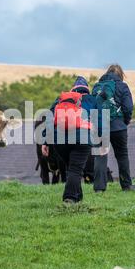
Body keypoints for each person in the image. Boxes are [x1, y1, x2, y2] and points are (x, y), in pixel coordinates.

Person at [41, 76, 101, 204]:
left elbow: (49, 119)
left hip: (59, 139)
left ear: (72, 89)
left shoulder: (60, 100)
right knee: (75, 169)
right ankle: (69, 198)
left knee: (71, 168)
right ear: (87, 89)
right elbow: (100, 121)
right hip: (82, 137)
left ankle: (78, 197)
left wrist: (45, 142)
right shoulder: (91, 99)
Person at [92, 64, 135, 192]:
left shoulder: (97, 87)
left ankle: (99, 188)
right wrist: (125, 122)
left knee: (100, 156)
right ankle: (127, 185)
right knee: (122, 155)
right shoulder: (122, 86)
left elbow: (93, 107)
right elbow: (128, 107)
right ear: (121, 75)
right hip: (118, 126)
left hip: (100, 126)